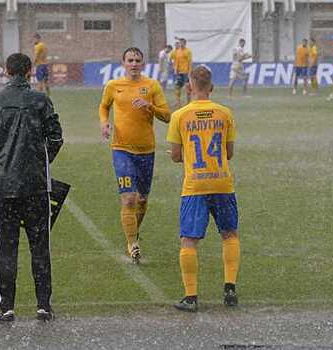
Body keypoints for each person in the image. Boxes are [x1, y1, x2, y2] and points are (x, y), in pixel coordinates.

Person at [0, 53, 63, 322]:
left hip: (4, 186)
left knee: (7, 248)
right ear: (29, 71)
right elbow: (56, 137)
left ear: (6, 71)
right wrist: (40, 161)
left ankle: (6, 307)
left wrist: (5, 159)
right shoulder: (41, 101)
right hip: (36, 186)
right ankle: (43, 306)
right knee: (40, 247)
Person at [167, 65, 240, 312]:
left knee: (189, 240)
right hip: (222, 182)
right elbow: (228, 154)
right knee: (229, 234)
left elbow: (176, 156)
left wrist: (177, 155)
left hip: (194, 185)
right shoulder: (225, 113)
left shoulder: (180, 116)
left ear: (189, 87)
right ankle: (230, 287)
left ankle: (191, 296)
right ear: (212, 87)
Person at [99, 47, 170, 264]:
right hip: (121, 150)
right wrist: (104, 123)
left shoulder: (151, 86)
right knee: (128, 198)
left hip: (146, 151)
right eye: (130, 60)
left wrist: (150, 106)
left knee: (142, 199)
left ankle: (133, 233)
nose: (134, 64)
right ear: (123, 63)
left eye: (138, 60)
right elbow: (103, 107)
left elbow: (167, 116)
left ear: (143, 63)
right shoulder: (113, 86)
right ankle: (133, 244)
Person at [170, 38, 192, 107]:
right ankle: (178, 102)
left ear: (185, 43)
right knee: (177, 87)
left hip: (186, 72)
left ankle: (189, 102)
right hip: (179, 72)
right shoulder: (177, 51)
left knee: (187, 88)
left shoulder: (188, 51)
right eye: (180, 43)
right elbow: (175, 61)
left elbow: (190, 62)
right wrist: (175, 69)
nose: (180, 44)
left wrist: (189, 72)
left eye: (182, 43)